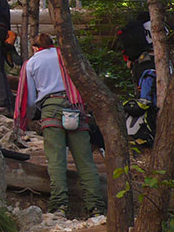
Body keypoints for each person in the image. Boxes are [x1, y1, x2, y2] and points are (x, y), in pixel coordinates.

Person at [14, 34, 106, 217]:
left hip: (51, 109)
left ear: (35, 47)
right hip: (75, 108)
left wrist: (27, 119)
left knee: (56, 160)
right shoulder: (66, 56)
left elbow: (29, 99)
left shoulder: (32, 63)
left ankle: (59, 207)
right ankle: (97, 208)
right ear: (51, 44)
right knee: (85, 161)